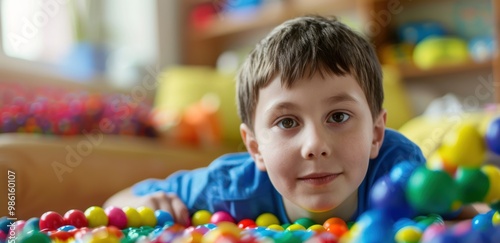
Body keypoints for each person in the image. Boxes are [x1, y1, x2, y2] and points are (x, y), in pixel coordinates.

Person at [104, 15, 477, 226]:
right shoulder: (232, 189)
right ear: (255, 148)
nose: (315, 144)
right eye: (286, 123)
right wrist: (150, 205)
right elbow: (115, 204)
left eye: (338, 116)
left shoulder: (399, 175)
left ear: (376, 133)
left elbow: (461, 215)